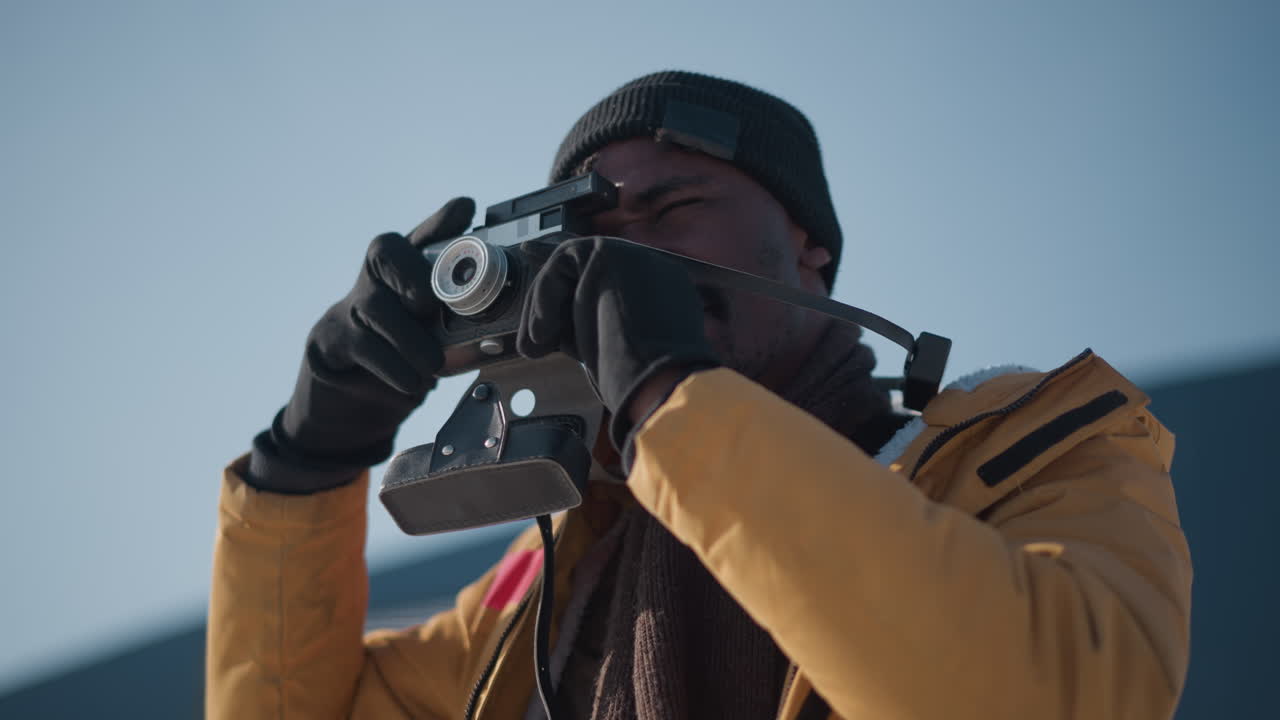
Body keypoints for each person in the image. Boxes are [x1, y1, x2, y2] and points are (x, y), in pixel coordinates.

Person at [206, 71, 1192, 720]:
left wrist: (674, 400)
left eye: (675, 207)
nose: (628, 250)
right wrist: (308, 456)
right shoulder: (545, 577)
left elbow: (1045, 698)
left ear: (812, 249)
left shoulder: (1033, 449)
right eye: (590, 236)